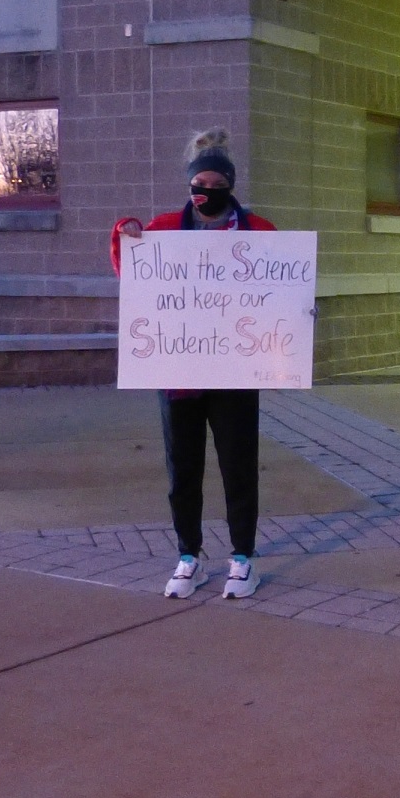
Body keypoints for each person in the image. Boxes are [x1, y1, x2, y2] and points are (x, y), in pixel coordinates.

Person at [110, 129, 277, 600]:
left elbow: (281, 289)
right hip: (178, 372)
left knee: (238, 466)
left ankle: (242, 556)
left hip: (236, 372)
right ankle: (189, 554)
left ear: (229, 185)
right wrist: (127, 233)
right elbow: (132, 272)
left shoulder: (259, 232)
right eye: (196, 184)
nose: (204, 192)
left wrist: (294, 313)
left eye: (214, 184)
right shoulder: (164, 229)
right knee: (182, 468)